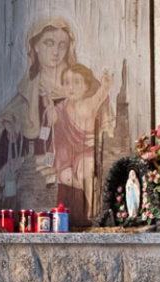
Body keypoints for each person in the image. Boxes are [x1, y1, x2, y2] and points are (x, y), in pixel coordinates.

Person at [0, 17, 77, 224]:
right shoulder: (25, 98)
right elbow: (0, 138)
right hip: (31, 175)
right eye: (48, 43)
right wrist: (8, 130)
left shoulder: (77, 91)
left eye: (62, 45)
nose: (55, 51)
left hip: (67, 173)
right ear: (35, 47)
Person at [49, 63, 113, 225]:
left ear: (86, 86)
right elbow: (46, 121)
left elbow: (102, 93)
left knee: (87, 172)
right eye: (67, 82)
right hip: (66, 156)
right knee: (67, 177)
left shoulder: (89, 104)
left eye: (77, 82)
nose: (71, 87)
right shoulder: (60, 108)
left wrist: (105, 83)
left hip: (86, 152)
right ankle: (73, 215)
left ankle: (93, 212)